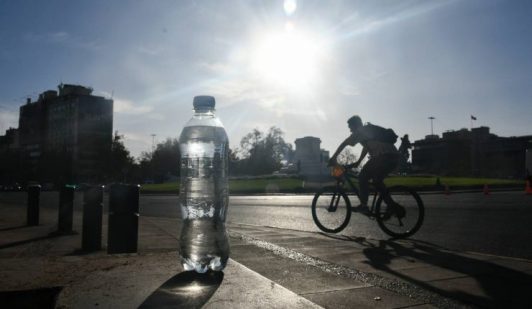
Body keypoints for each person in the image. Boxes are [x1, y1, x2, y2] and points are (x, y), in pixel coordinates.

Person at [328, 115, 401, 215]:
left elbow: (345, 143)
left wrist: (333, 157)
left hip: (384, 156)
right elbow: (366, 148)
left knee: (362, 177)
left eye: (350, 127)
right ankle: (392, 206)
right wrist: (358, 162)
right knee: (377, 181)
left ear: (355, 125)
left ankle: (364, 206)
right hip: (393, 156)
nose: (350, 130)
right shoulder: (367, 131)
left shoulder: (360, 131)